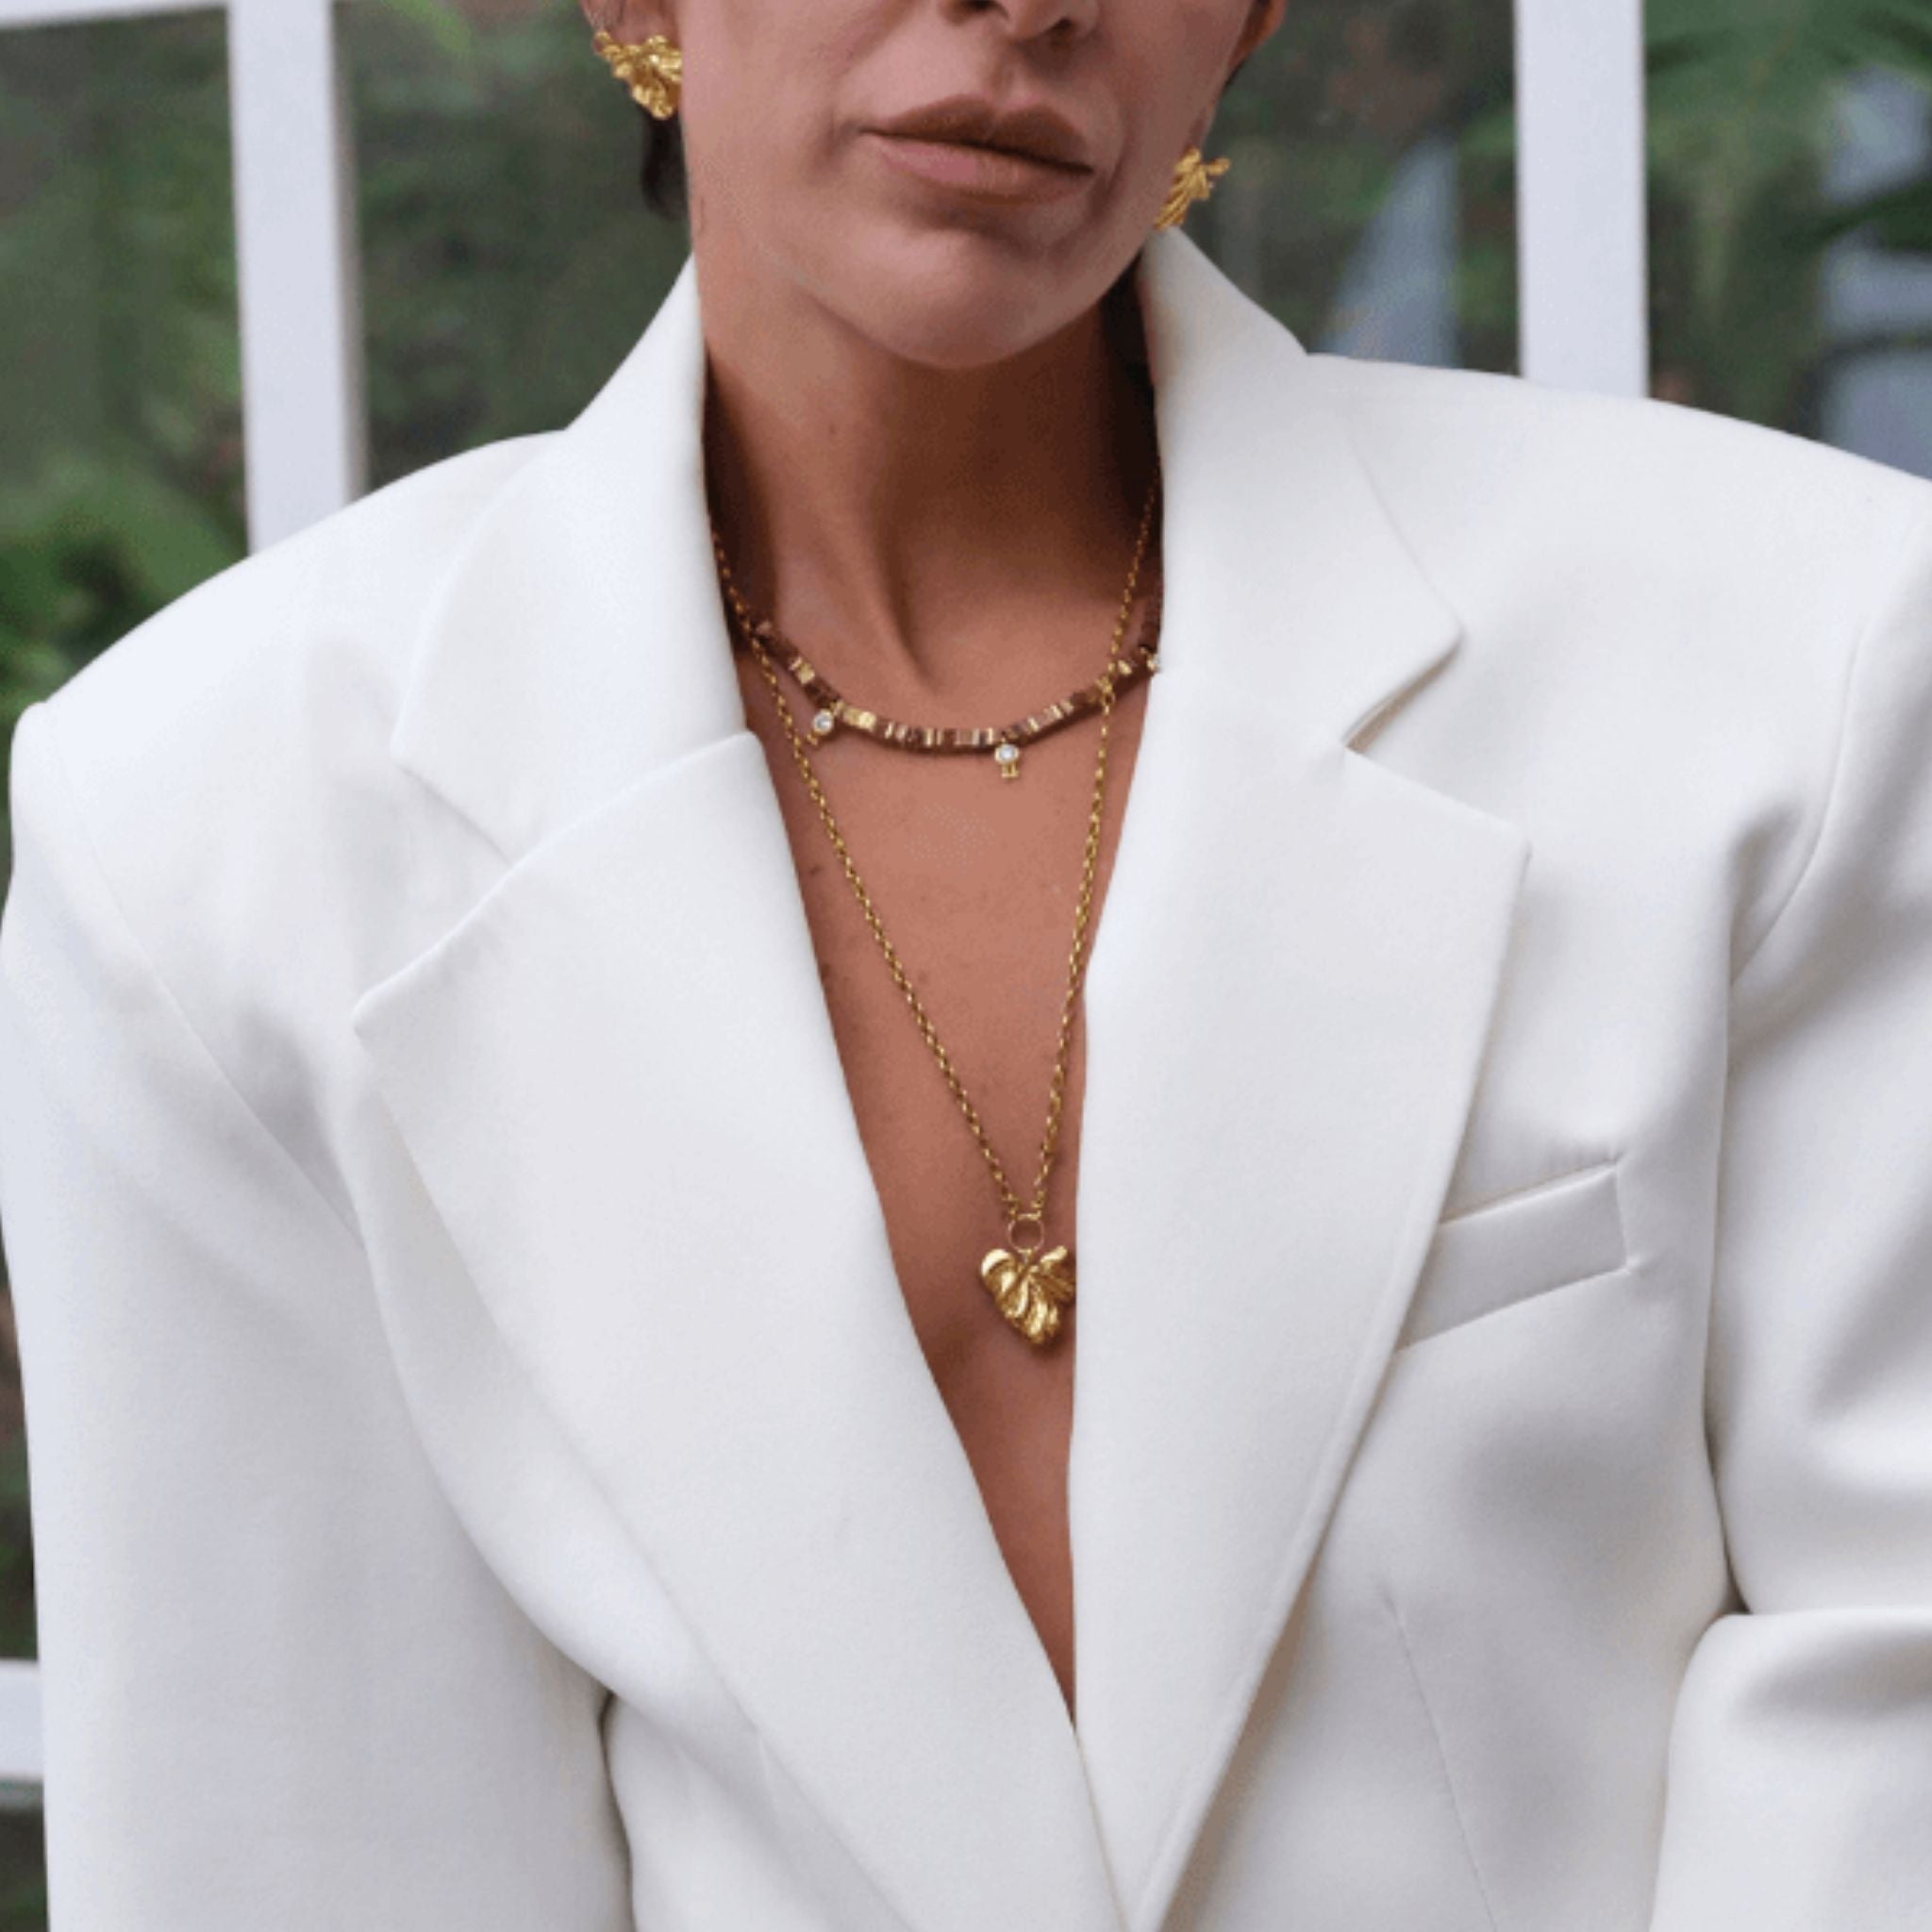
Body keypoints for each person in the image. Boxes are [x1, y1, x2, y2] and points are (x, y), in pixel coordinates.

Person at [2, 1, 1930, 1925]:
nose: (1029, 6)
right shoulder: (212, 835)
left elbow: (1891, 1706)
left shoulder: (1792, 660)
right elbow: (295, 1852)